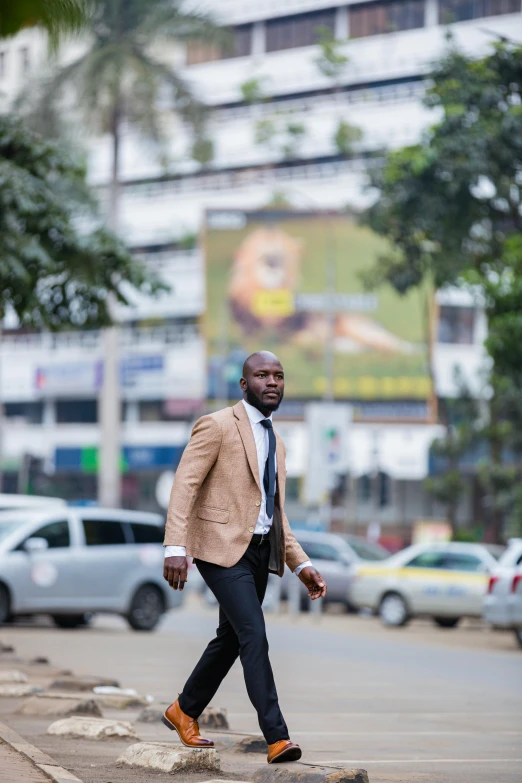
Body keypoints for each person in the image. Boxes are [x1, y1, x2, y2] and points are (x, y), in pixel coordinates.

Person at [163, 350, 327, 764]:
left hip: (258, 555)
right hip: (219, 549)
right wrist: (176, 546)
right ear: (244, 384)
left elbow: (275, 515)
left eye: (279, 375)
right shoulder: (217, 425)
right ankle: (277, 737)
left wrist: (301, 564)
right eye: (262, 375)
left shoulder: (277, 442)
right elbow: (185, 484)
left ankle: (183, 709)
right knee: (254, 631)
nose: (272, 382)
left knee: (231, 639)